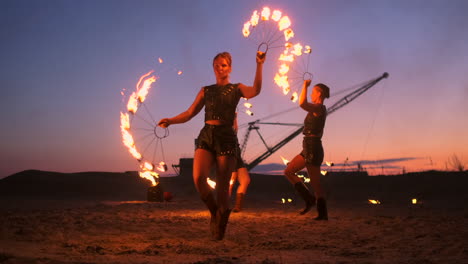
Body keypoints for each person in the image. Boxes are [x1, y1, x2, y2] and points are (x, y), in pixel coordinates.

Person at [158, 51, 266, 239]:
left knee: (223, 188)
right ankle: (216, 212)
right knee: (199, 177)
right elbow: (190, 112)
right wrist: (171, 120)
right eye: (216, 65)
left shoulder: (237, 88)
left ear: (229, 68)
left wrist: (259, 64)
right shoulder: (205, 90)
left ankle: (220, 223)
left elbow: (256, 90)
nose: (219, 68)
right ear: (213, 68)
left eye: (223, 65)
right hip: (207, 134)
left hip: (226, 137)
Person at [284, 80, 330, 220]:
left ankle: (323, 214)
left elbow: (302, 103)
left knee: (315, 183)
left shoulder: (319, 108)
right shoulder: (315, 108)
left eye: (313, 90)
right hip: (307, 146)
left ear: (319, 93)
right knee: (289, 171)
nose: (311, 92)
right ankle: (309, 199)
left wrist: (304, 85)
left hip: (314, 147)